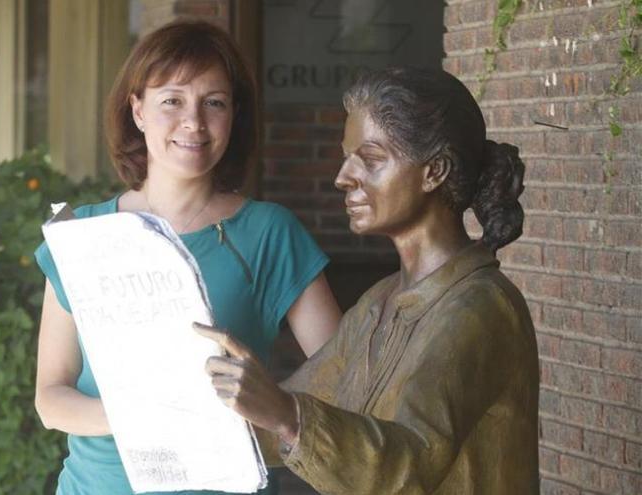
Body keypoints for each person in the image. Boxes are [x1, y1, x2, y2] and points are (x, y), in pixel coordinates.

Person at [196, 67, 540, 494]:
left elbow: (412, 461)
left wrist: (287, 415)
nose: (344, 176)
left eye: (371, 159)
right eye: (347, 157)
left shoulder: (480, 308)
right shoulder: (379, 303)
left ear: (434, 171)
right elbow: (301, 403)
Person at [33, 20, 342, 495]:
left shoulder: (268, 233)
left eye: (213, 102)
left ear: (234, 114)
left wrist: (270, 405)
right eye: (171, 100)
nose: (193, 122)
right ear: (137, 110)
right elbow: (51, 399)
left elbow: (344, 378)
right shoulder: (84, 235)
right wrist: (147, 415)